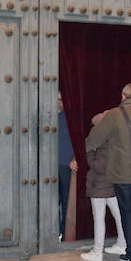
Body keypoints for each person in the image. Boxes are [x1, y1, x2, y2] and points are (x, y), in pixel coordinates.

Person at [85, 83, 131, 261]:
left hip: (123, 173)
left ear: (123, 96)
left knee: (128, 213)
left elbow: (94, 139)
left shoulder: (114, 115)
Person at [80, 112, 127, 261]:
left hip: (100, 184)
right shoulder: (114, 139)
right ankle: (122, 243)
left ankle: (97, 251)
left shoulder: (103, 142)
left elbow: (100, 166)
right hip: (111, 183)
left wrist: (90, 155)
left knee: (99, 218)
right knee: (119, 215)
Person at [57, 91, 76, 242]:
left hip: (65, 166)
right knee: (49, 203)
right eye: (57, 99)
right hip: (47, 168)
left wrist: (75, 158)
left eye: (62, 100)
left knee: (65, 203)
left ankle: (64, 234)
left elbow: (80, 139)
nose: (59, 103)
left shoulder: (70, 118)